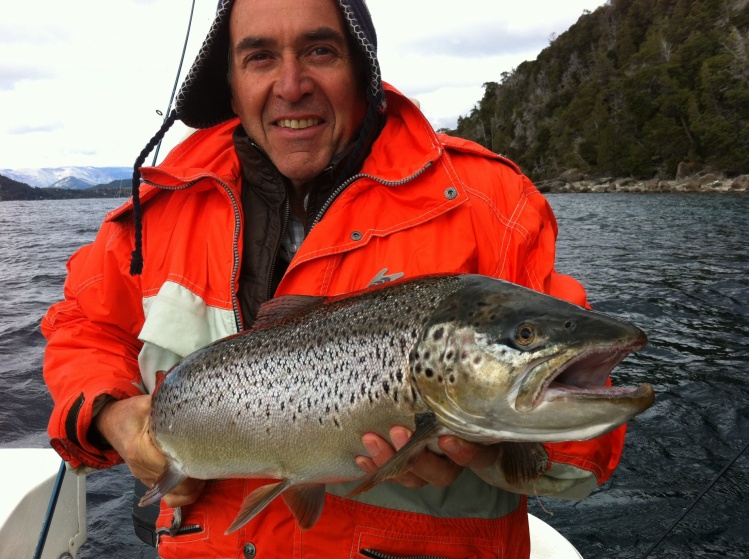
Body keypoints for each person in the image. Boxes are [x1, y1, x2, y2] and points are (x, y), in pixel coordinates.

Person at [42, 0, 628, 557]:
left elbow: (587, 433)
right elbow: (81, 326)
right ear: (231, 80)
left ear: (362, 68)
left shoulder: (487, 203)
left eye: (320, 51)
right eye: (260, 56)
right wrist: (115, 418)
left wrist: (496, 450)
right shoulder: (161, 206)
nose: (291, 84)